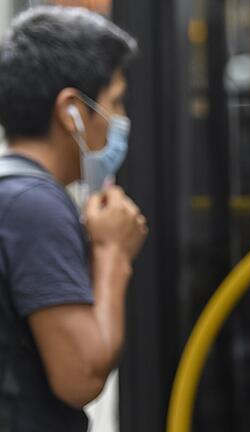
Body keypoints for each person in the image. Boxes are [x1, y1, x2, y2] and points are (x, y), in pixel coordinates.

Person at [0, 6, 146, 431]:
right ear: (73, 111)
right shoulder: (34, 206)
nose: (120, 122)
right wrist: (113, 250)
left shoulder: (15, 194)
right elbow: (81, 375)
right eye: (114, 102)